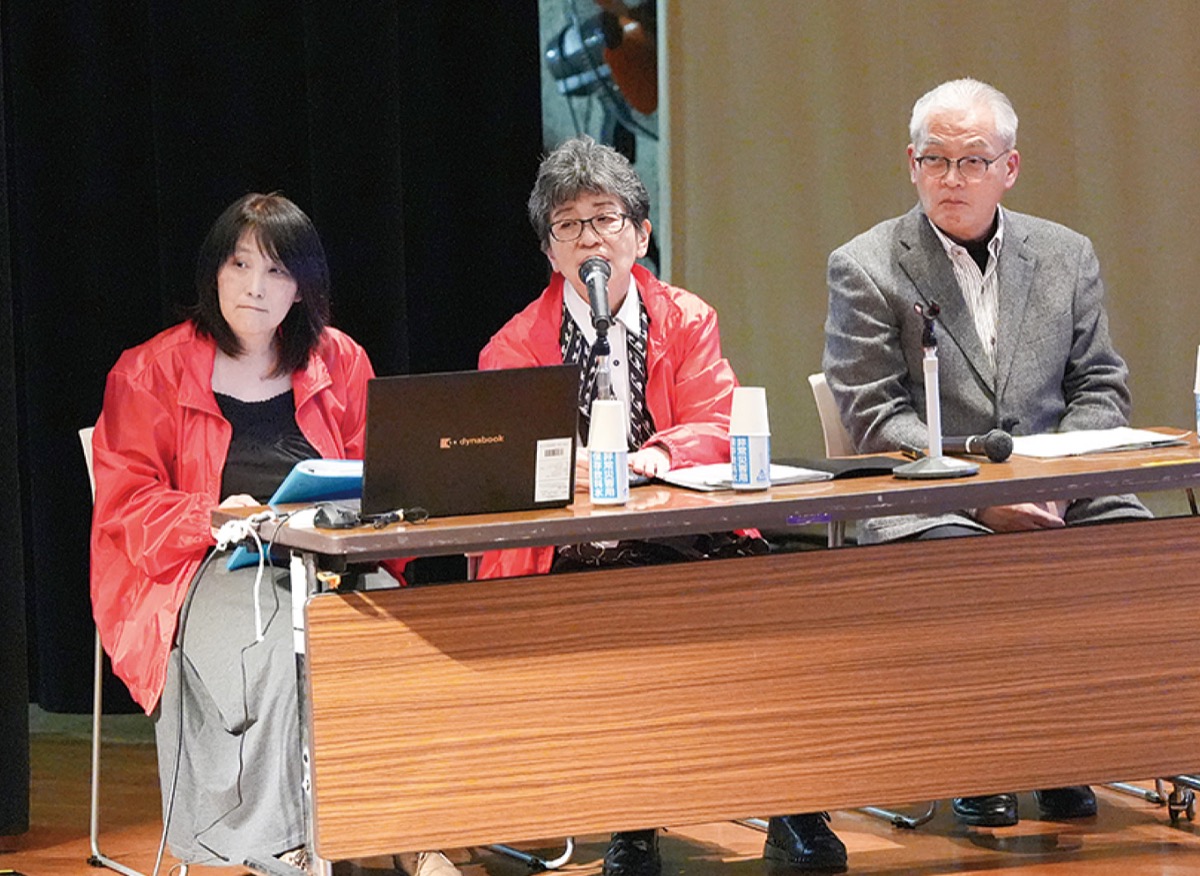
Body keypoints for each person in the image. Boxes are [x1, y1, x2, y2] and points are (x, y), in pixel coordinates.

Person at [479, 136, 848, 874]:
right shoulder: (514, 344)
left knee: (783, 602)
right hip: (570, 548)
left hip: (687, 529)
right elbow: (502, 462)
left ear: (641, 235)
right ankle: (632, 820)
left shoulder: (685, 318)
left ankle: (796, 805)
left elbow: (716, 418)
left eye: (605, 218)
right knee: (622, 608)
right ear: (550, 251)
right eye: (568, 225)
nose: (590, 239)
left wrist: (658, 456)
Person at [89, 193, 454, 876]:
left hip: (327, 555)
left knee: (410, 643)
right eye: (239, 265)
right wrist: (212, 515)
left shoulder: (341, 359)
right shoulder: (148, 370)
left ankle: (410, 834)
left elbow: (383, 474)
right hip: (201, 566)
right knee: (285, 650)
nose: (255, 286)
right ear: (214, 272)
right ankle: (286, 848)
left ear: (303, 287)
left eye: (277, 270)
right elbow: (126, 505)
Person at [822, 78, 1152, 828]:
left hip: (1062, 487)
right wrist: (978, 495)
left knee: (1138, 545)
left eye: (972, 160)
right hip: (929, 500)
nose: (952, 178)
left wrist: (1054, 483)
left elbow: (1100, 386)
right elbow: (876, 415)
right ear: (911, 164)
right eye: (934, 160)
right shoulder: (866, 265)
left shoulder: (1065, 255)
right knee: (967, 565)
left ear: (1010, 168)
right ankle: (983, 759)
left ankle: (1080, 749)